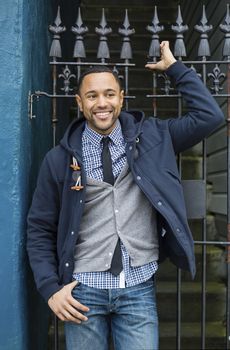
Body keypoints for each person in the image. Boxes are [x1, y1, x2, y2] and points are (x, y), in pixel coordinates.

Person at [27, 41, 224, 350]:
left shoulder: (156, 137)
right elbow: (39, 227)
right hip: (83, 291)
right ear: (80, 102)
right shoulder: (59, 159)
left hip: (138, 288)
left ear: (121, 97)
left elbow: (210, 117)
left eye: (109, 94)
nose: (101, 103)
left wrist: (175, 70)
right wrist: (51, 288)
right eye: (92, 96)